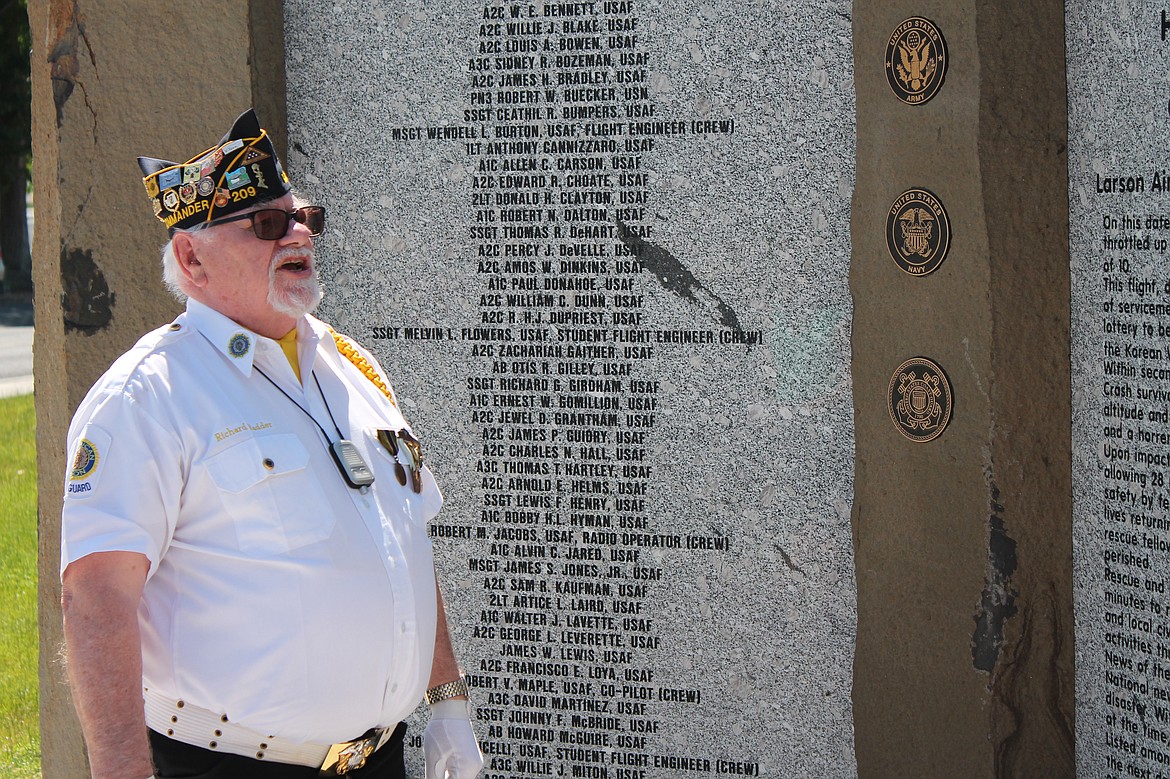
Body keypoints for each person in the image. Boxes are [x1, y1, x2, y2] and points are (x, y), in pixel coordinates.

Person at [59, 108, 483, 779]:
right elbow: (96, 602)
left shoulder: (354, 368)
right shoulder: (148, 396)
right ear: (191, 256)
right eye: (267, 223)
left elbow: (402, 543)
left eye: (304, 218)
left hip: (379, 758)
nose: (298, 235)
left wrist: (448, 700)